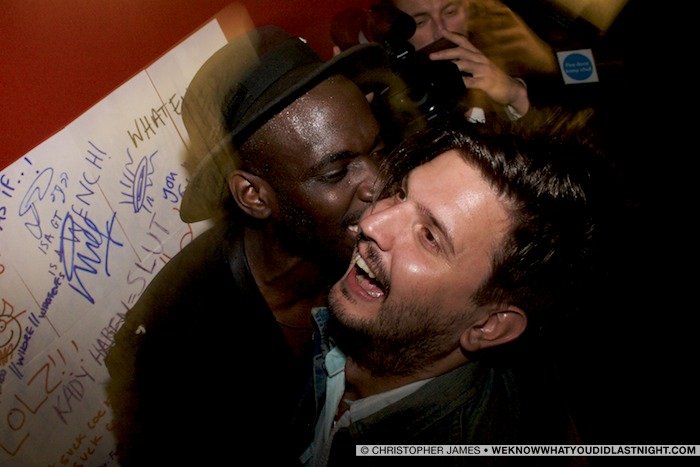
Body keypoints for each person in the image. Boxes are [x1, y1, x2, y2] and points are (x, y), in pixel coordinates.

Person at [104, 26, 387, 466]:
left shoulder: (373, 242)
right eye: (336, 173)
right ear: (254, 196)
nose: (379, 183)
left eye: (378, 150)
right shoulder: (182, 355)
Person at [300, 113, 608, 466]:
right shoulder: (319, 317)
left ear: (488, 326)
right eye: (400, 194)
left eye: (429, 237)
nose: (371, 223)